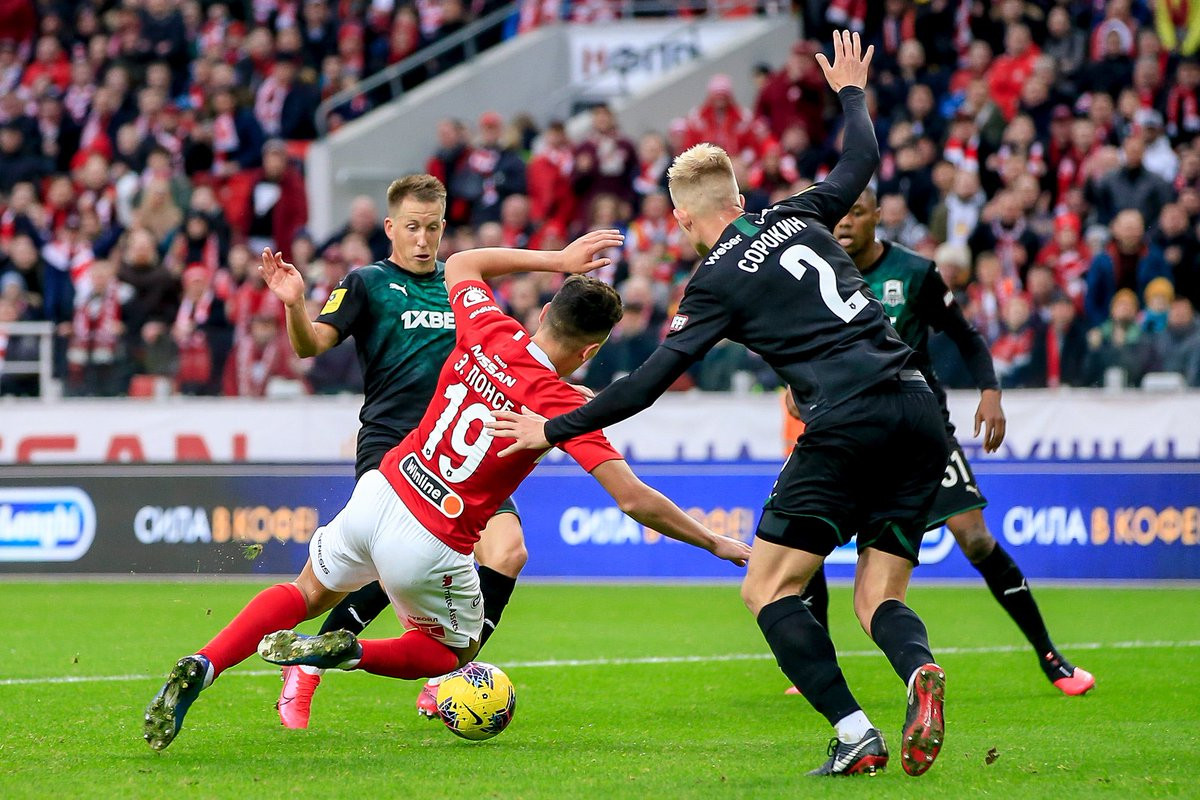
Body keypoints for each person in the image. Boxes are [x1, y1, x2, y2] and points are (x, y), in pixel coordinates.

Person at [491, 32, 949, 778]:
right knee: (877, 597)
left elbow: (644, 382)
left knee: (767, 587)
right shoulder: (799, 213)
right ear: (739, 198)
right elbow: (861, 163)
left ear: (682, 221)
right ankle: (917, 670)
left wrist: (553, 426)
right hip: (919, 406)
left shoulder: (713, 282)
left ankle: (855, 733)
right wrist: (852, 92)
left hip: (847, 417)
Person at [142, 232, 751, 752]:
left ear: (543, 315)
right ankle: (345, 653)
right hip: (433, 537)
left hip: (381, 489)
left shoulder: (491, 329)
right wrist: (713, 542)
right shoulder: (565, 403)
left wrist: (558, 260)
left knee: (305, 590)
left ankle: (207, 661)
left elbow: (461, 264)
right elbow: (634, 500)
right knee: (449, 656)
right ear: (591, 351)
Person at [798, 188, 1095, 696]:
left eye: (857, 213)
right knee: (806, 540)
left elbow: (966, 334)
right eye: (838, 215)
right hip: (855, 433)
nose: (844, 223)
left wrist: (991, 392)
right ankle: (815, 666)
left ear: (878, 218)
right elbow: (804, 346)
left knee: (975, 538)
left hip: (922, 432)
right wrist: (795, 385)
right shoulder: (818, 274)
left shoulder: (914, 273)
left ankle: (1051, 657)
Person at [260, 175, 530, 728]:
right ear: (390, 228)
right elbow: (310, 344)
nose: (424, 239)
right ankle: (309, 665)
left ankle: (448, 672)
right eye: (412, 227)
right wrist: (293, 306)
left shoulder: (461, 288)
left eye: (433, 228)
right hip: (391, 450)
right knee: (387, 570)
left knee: (508, 553)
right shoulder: (367, 283)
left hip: (458, 449)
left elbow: (499, 358)